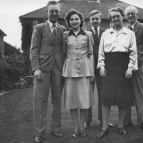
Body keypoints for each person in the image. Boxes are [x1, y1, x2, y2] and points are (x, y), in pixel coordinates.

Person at [96, 7, 137, 138]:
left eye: (117, 16)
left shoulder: (130, 33)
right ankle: (104, 127)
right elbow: (101, 52)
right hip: (109, 66)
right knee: (106, 98)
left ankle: (120, 125)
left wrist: (130, 68)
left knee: (122, 98)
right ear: (110, 19)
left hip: (123, 66)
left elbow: (133, 52)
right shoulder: (105, 34)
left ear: (122, 16)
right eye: (113, 17)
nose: (115, 19)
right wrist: (101, 66)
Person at [29, 1, 66, 143]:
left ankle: (56, 129)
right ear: (47, 12)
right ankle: (39, 132)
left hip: (58, 68)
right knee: (40, 100)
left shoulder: (63, 29)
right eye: (52, 11)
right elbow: (33, 50)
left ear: (59, 13)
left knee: (57, 100)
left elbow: (64, 49)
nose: (55, 13)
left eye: (57, 11)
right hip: (42, 69)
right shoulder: (39, 28)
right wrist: (36, 68)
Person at [62, 9, 95, 139]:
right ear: (69, 22)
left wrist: (92, 71)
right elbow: (63, 52)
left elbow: (91, 53)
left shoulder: (88, 34)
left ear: (81, 21)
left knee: (84, 100)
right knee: (72, 100)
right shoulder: (65, 35)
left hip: (85, 69)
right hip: (70, 70)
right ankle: (75, 127)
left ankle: (82, 127)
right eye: (72, 19)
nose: (74, 21)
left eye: (76, 19)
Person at [124, 6, 143, 130]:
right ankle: (127, 121)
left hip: (139, 66)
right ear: (126, 16)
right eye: (128, 14)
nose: (130, 16)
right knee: (125, 94)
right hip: (125, 68)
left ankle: (142, 121)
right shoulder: (124, 30)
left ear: (137, 15)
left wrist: (141, 61)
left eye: (132, 14)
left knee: (140, 94)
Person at [85, 10, 113, 129]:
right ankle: (87, 121)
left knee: (103, 94)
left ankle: (103, 120)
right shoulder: (86, 34)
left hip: (102, 68)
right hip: (89, 68)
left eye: (97, 19)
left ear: (100, 20)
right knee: (88, 95)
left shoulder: (106, 33)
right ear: (90, 20)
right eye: (93, 19)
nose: (95, 21)